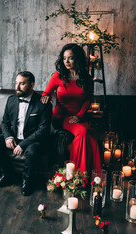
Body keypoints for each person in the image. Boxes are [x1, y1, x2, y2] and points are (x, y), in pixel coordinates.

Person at [0, 71, 52, 196]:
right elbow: (4, 123)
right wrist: (8, 137)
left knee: (32, 151)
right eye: (16, 83)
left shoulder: (43, 103)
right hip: (15, 136)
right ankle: (7, 175)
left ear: (31, 85)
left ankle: (27, 180)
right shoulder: (11, 100)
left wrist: (23, 145)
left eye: (22, 84)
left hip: (33, 139)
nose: (17, 87)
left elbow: (43, 130)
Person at [41, 43, 101, 173]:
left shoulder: (87, 78)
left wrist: (79, 115)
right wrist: (46, 96)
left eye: (70, 58)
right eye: (64, 58)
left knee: (91, 136)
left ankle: (86, 174)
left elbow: (88, 99)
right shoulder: (58, 76)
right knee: (84, 132)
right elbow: (46, 93)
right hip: (61, 117)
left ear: (78, 59)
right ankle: (80, 174)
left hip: (78, 117)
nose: (66, 61)